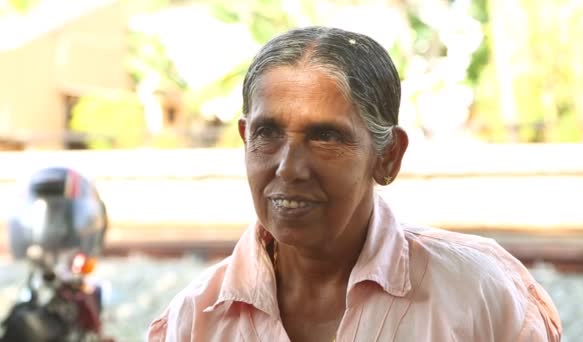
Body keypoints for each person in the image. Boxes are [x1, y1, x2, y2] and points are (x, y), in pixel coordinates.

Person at [147, 26, 561, 341]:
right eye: (267, 133)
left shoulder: (475, 292)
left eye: (325, 136)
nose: (288, 168)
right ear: (244, 139)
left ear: (388, 157)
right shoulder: (197, 319)